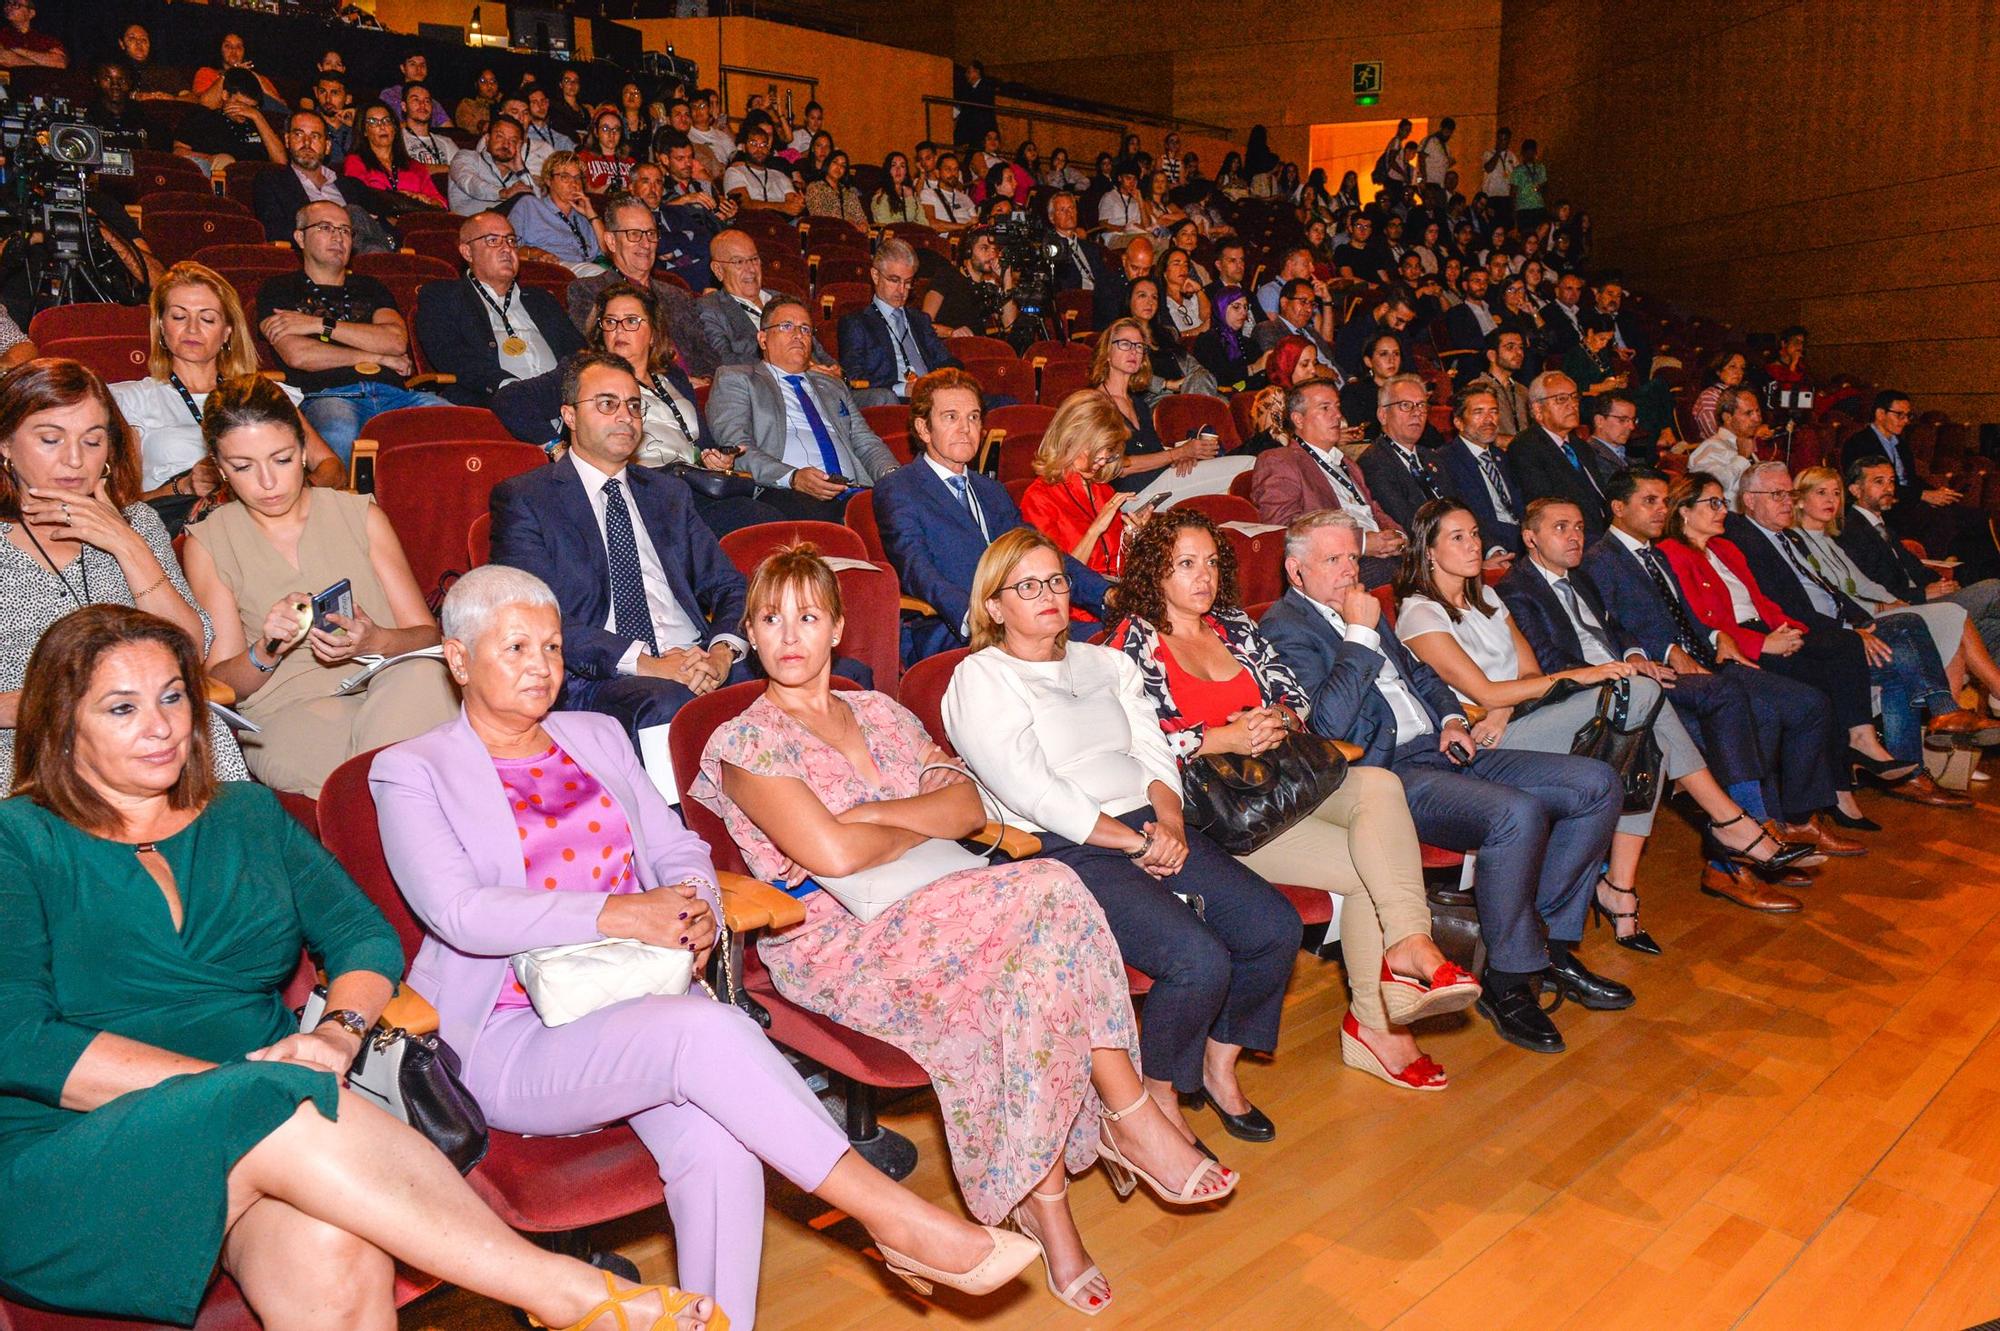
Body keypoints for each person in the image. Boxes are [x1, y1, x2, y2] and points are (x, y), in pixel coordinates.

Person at [0, 603, 727, 1331]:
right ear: (62, 724)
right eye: (121, 707)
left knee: (337, 1252)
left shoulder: (246, 814)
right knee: (275, 1101)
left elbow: (362, 937)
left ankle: (557, 1290)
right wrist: (232, 1088)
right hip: (80, 1158)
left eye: (172, 695)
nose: (160, 726)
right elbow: (19, 1039)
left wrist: (340, 1033)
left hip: (273, 1145)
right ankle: (562, 1289)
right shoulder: (18, 839)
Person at [373, 565, 1036, 1325]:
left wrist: (693, 906)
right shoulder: (412, 770)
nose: (541, 665)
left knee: (722, 1142)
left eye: (553, 647)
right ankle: (892, 1216)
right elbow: (462, 912)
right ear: (458, 659)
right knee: (708, 1027)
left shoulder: (594, 734)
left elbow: (677, 843)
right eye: (515, 646)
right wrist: (623, 913)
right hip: (511, 1036)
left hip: (641, 1002)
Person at [733, 540, 1225, 1316]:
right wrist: (899, 822)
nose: (789, 634)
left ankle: (1046, 1204)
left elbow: (965, 808)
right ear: (751, 634)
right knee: (1054, 890)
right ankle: (1130, 1116)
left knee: (1024, 975)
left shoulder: (883, 712)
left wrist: (869, 818)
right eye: (770, 618)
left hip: (948, 902)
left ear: (837, 630)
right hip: (841, 946)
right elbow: (828, 852)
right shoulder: (745, 743)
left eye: (808, 615)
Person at [945, 527, 1299, 1150]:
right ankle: (1158, 1096)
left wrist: (1166, 822)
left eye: (1056, 579)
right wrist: (1130, 842)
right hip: (1061, 846)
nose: (1048, 594)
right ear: (995, 606)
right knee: (1197, 960)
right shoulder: (981, 678)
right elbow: (1032, 790)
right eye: (1027, 586)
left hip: (1150, 823)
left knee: (1274, 926)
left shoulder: (1108, 662)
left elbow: (1154, 750)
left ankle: (1218, 1065)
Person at [1110, 511, 1480, 1089]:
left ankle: (1408, 945)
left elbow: (1295, 700)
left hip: (1278, 779)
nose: (1203, 576)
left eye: (1211, 562)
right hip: (1215, 813)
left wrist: (1274, 718)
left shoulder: (1233, 626)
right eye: (1185, 564)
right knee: (1369, 865)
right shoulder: (1127, 644)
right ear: (1153, 572)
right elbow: (1127, 740)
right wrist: (1219, 738)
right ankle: (1378, 1019)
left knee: (1381, 788)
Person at [1260, 510, 1624, 1054]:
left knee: (1597, 784)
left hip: (1447, 744)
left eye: (1353, 558)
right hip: (1387, 773)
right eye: (1332, 560)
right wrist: (1360, 632)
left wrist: (1453, 718)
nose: (1347, 571)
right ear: (1296, 571)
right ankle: (1509, 978)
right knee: (1515, 815)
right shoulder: (1286, 628)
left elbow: (1422, 675)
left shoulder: (1364, 608)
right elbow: (1327, 726)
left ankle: (1543, 947)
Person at [1398, 498, 1813, 926]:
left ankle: (1622, 886)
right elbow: (1481, 689)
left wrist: (1502, 709)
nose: (1473, 546)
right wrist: (1583, 677)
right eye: (1458, 537)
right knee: (1637, 692)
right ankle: (1728, 823)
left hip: (1509, 720)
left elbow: (1528, 671)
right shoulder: (1420, 613)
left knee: (1645, 735)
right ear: (1428, 550)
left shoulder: (1485, 597)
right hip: (1484, 744)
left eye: (1476, 534)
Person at [180, 376, 455, 797]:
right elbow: (223, 684)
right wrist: (267, 648)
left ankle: (380, 808)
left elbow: (426, 634)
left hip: (390, 684)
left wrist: (374, 640)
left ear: (306, 452)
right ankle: (405, 804)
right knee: (391, 763)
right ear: (219, 468)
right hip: (290, 712)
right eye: (243, 467)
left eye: (282, 459)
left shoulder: (359, 514)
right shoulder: (210, 542)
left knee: (424, 678)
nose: (267, 482)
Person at [1580, 467, 1868, 848]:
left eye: (1664, 501)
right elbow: (1612, 625)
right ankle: (1750, 838)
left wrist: (1719, 636)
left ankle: (1791, 821)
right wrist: (1667, 651)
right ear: (1617, 507)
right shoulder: (1601, 559)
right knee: (1755, 710)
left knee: (1808, 704)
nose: (1660, 510)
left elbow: (1687, 613)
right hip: (1664, 669)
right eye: (1649, 501)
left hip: (1707, 655)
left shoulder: (1653, 555)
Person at [0, 358, 248, 790]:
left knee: (204, 739)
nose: (75, 460)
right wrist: (58, 706)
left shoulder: (138, 524)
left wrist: (126, 543)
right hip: (26, 745)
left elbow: (188, 647)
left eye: (93, 442)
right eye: (51, 439)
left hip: (149, 734)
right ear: (5, 444)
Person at [1659, 469, 1969, 810]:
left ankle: (1864, 768)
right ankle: (1824, 797)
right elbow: (1706, 623)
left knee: (1876, 662)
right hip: (1739, 645)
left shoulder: (1724, 549)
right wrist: (1764, 643)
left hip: (1770, 630)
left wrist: (1790, 629)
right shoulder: (1675, 553)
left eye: (1722, 501)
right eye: (1714, 502)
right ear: (1685, 510)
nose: (1723, 510)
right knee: (1830, 677)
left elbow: (1765, 602)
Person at [489, 352, 755, 744]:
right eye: (607, 404)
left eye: (634, 405)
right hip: (602, 676)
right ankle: (672, 809)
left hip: (695, 658)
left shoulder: (667, 493)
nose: (625, 416)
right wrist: (647, 664)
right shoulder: (527, 498)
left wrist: (720, 654)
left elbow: (729, 586)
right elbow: (534, 618)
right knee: (667, 702)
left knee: (826, 674)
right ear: (570, 416)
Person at [1724, 460, 1988, 763]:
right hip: (1805, 638)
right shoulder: (1744, 540)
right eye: (1777, 495)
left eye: (1790, 495)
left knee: (1908, 637)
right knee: (1908, 643)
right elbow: (1787, 606)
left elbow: (1833, 589)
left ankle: (1918, 755)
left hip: (1837, 625)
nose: (1787, 502)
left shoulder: (1788, 537)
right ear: (1749, 500)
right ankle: (1936, 730)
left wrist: (1862, 620)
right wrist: (1851, 631)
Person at [500, 285, 778, 535]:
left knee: (774, 514)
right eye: (610, 322)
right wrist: (557, 449)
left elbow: (697, 442)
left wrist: (716, 459)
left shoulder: (674, 377)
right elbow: (511, 401)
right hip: (642, 489)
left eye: (631, 321)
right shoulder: (585, 373)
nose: (619, 330)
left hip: (696, 486)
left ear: (654, 333)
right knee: (754, 520)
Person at [877, 370, 1111, 660]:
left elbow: (1039, 551)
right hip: (959, 632)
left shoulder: (991, 490)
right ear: (924, 429)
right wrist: (977, 616)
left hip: (1025, 616)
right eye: (951, 417)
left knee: (1117, 638)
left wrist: (1105, 595)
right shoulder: (900, 489)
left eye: (973, 417)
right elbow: (917, 569)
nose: (965, 428)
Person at [110, 263, 343, 529]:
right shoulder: (132, 400)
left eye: (207, 319)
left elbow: (331, 467)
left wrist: (294, 496)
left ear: (227, 332)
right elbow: (121, 505)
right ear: (161, 325)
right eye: (178, 317)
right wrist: (182, 486)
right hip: (178, 529)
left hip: (268, 520)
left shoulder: (260, 393)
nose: (193, 329)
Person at [257, 203, 451, 463]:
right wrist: (379, 358)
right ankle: (342, 505)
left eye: (346, 231)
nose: (338, 237)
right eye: (325, 228)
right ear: (300, 237)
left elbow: (395, 341)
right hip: (328, 394)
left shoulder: (370, 287)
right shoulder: (278, 289)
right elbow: (299, 355)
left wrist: (317, 325)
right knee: (339, 431)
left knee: (457, 422)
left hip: (393, 393)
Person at [1793, 464, 2000, 706]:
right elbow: (1832, 597)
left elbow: (1865, 583)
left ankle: (1958, 715)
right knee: (1964, 607)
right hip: (1856, 622)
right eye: (1821, 493)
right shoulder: (1802, 542)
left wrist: (1895, 602)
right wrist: (1886, 606)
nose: (1832, 500)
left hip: (1887, 607)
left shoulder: (1829, 540)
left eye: (1836, 493)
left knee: (1989, 624)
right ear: (1799, 500)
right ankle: (1976, 699)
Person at [706, 300, 900, 521]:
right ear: (762, 339)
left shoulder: (832, 386)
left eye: (805, 329)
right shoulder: (737, 378)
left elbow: (866, 441)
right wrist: (792, 477)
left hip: (854, 491)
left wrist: (892, 477)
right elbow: (738, 448)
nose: (798, 334)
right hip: (786, 492)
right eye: (787, 326)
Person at [413, 211, 586, 406]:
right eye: (493, 240)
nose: (507, 248)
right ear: (467, 252)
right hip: (494, 401)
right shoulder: (443, 296)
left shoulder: (541, 299)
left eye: (511, 240)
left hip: (563, 400)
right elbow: (450, 355)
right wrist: (506, 384)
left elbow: (577, 351)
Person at [1841, 456, 2000, 667]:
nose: (1889, 488)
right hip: (1902, 609)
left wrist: (1943, 585)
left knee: (1994, 627)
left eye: (1891, 481)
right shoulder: (1849, 532)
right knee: (1994, 589)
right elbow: (1868, 590)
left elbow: (1916, 569)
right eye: (1879, 482)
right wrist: (1922, 593)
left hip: (1925, 600)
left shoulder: (1884, 528)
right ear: (1855, 490)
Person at [1840, 389, 2000, 580]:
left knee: (1977, 517)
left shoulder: (1899, 443)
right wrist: (1922, 495)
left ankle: (1984, 578)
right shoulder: (1859, 443)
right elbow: (1874, 487)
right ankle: (1934, 577)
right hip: (1888, 506)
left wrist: (1936, 493)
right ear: (1880, 414)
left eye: (1908, 415)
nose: (1905, 420)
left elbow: (1911, 478)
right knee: (1941, 519)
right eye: (1899, 414)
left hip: (1910, 499)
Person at [1252, 381, 1403, 580]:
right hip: (1335, 565)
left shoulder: (1348, 464)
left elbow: (1374, 511)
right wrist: (1361, 543)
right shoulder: (1279, 460)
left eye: (1337, 407)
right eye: (1325, 408)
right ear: (1298, 419)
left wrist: (1399, 536)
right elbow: (1285, 527)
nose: (1337, 415)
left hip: (1381, 556)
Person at [1018, 389, 1160, 595]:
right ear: (1071, 440)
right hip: (1079, 611)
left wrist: (1131, 539)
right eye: (1096, 451)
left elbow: (1117, 565)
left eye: (1109, 452)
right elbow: (1055, 582)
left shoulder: (1103, 491)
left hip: (1117, 598)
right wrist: (1095, 530)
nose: (1103, 460)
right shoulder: (1039, 498)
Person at [565, 193, 717, 380]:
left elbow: (706, 354)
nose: (645, 244)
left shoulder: (677, 294)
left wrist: (707, 381)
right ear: (611, 241)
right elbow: (604, 358)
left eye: (651, 234)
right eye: (634, 234)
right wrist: (678, 384)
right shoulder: (588, 291)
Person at [1089, 319, 1226, 493]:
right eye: (1125, 344)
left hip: (1162, 481)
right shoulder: (1096, 404)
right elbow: (1117, 467)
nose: (1134, 351)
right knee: (1247, 466)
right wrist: (1178, 453)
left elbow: (1155, 453)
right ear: (1107, 353)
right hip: (1133, 495)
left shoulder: (1139, 404)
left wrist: (1181, 459)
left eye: (1139, 346)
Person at [693, 230, 839, 372]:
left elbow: (820, 353)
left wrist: (837, 372)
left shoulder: (784, 301)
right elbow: (724, 361)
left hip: (823, 385)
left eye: (754, 259)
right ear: (718, 270)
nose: (751, 269)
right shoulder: (712, 307)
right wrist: (800, 368)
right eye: (738, 262)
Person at [837, 240, 960, 403]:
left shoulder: (920, 320)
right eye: (894, 280)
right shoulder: (856, 323)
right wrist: (902, 388)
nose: (901, 290)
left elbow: (946, 360)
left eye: (908, 282)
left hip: (933, 395)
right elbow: (854, 379)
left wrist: (941, 380)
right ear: (875, 275)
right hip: (896, 399)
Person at [1509, 371, 1617, 536]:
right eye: (1561, 399)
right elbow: (1545, 507)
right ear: (1538, 409)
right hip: (1570, 536)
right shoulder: (1526, 447)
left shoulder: (1581, 446)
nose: (1572, 405)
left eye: (1574, 397)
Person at [253, 111, 381, 247]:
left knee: (355, 213)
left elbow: (385, 229)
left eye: (315, 136)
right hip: (311, 257)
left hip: (359, 254)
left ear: (327, 147)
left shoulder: (352, 186)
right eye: (298, 134)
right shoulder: (271, 181)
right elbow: (274, 231)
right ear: (287, 140)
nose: (306, 143)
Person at [1433, 386, 1525, 556]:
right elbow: (1459, 516)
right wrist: (1492, 550)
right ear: (1458, 422)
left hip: (1524, 538)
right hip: (1489, 544)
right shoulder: (1445, 460)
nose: (1489, 419)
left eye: (1494, 411)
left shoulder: (1502, 457)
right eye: (1478, 412)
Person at [173, 68, 284, 177]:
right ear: (225, 95)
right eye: (239, 103)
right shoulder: (203, 116)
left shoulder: (257, 121)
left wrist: (257, 117)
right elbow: (179, 152)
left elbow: (281, 163)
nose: (243, 110)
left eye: (251, 106)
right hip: (216, 176)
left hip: (255, 181)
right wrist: (212, 159)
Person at [511, 152, 607, 275]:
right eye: (565, 177)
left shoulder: (583, 217)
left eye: (577, 178)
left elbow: (607, 251)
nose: (574, 184)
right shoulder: (529, 205)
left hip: (583, 270)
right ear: (548, 180)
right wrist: (535, 253)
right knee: (598, 274)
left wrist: (592, 215)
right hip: (548, 269)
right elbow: (508, 247)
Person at [342, 101, 446, 210]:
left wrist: (426, 200)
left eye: (387, 121)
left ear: (395, 128)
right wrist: (400, 197)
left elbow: (440, 202)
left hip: (417, 219)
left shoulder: (414, 166)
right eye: (373, 121)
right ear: (364, 131)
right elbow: (360, 196)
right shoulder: (355, 161)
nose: (382, 126)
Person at [446, 112, 539, 216]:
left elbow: (538, 203)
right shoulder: (467, 157)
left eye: (513, 141)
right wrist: (502, 193)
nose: (506, 144)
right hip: (472, 222)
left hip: (510, 224)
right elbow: (469, 182)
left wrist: (521, 169)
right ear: (487, 139)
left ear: (519, 146)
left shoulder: (517, 177)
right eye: (500, 137)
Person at [1685, 386, 1765, 507]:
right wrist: (1742, 458)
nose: (1757, 419)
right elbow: (1708, 488)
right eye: (1748, 413)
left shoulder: (1742, 446)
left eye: (1758, 411)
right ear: (1727, 418)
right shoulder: (1711, 447)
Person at [722, 125, 802, 217]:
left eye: (763, 145)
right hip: (751, 223)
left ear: (768, 149)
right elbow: (744, 204)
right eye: (753, 144)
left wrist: (798, 205)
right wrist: (781, 207)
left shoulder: (780, 176)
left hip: (782, 223)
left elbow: (792, 202)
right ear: (744, 148)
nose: (759, 149)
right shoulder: (735, 172)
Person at [1191, 288, 1256, 392]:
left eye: (1245, 307)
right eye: (1236, 307)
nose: (1243, 312)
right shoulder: (1208, 341)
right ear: (1221, 308)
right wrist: (1253, 368)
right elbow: (1217, 378)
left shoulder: (1247, 343)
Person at [397, 83, 458, 169]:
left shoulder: (446, 142)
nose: (422, 105)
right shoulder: (396, 140)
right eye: (416, 100)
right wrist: (445, 168)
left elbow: (464, 170)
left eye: (427, 101)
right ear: (404, 106)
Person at [803, 151, 867, 227]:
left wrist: (863, 225)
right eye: (835, 162)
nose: (839, 167)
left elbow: (861, 216)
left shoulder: (848, 192)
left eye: (843, 165)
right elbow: (819, 217)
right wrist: (848, 224)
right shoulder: (815, 187)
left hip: (852, 234)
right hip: (828, 233)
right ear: (827, 164)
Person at [580, 109, 636, 194]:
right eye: (605, 129)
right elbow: (585, 191)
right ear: (596, 132)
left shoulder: (631, 162)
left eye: (616, 129)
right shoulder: (584, 158)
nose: (611, 134)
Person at [869, 151, 923, 224]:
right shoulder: (881, 194)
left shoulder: (911, 193)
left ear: (906, 172)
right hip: (893, 233)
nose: (898, 170)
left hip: (913, 233)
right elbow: (884, 222)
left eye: (902, 166)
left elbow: (922, 220)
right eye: (894, 165)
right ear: (888, 170)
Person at [454, 67, 500, 135]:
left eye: (493, 81)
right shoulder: (467, 104)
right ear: (476, 84)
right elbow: (466, 123)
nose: (489, 85)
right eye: (483, 81)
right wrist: (481, 125)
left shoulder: (505, 102)